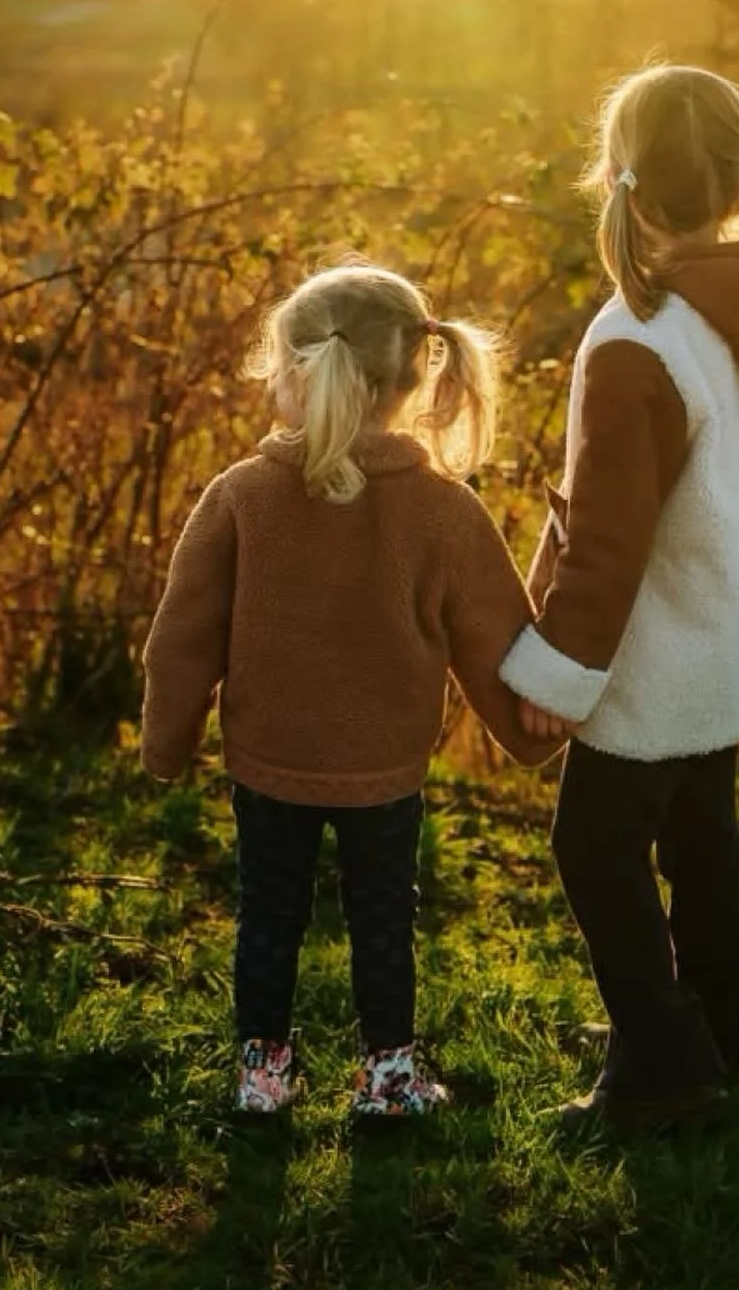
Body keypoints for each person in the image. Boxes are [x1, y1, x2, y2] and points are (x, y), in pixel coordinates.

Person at [141, 263, 558, 1117]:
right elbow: (500, 635)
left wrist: (167, 743)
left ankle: (263, 1079)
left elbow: (181, 638)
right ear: (415, 378)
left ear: (294, 374)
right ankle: (387, 1078)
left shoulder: (241, 495)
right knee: (381, 921)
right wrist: (534, 730)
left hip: (268, 760)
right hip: (385, 770)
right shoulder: (444, 508)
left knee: (269, 914)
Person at [500, 63, 739, 1127]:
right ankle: (711, 1032)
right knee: (700, 839)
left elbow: (606, 536)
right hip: (729, 631)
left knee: (591, 845)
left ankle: (663, 1060)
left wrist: (559, 671)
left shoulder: (636, 338)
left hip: (651, 650)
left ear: (623, 186)